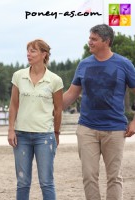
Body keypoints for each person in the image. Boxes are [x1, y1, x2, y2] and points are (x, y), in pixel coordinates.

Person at [63, 24, 135, 200]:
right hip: (87, 128)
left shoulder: (124, 64)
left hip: (115, 129)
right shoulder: (83, 65)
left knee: (114, 177)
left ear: (106, 41)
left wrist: (134, 121)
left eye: (94, 39)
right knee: (89, 176)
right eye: (90, 38)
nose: (90, 42)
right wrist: (49, 107)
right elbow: (71, 94)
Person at [8, 39, 63, 200]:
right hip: (21, 136)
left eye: (33, 51)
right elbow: (13, 105)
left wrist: (56, 133)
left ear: (44, 54)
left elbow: (58, 110)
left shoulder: (55, 80)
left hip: (45, 136)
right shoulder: (19, 76)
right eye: (28, 50)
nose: (28, 54)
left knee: (46, 182)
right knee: (23, 182)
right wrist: (11, 129)